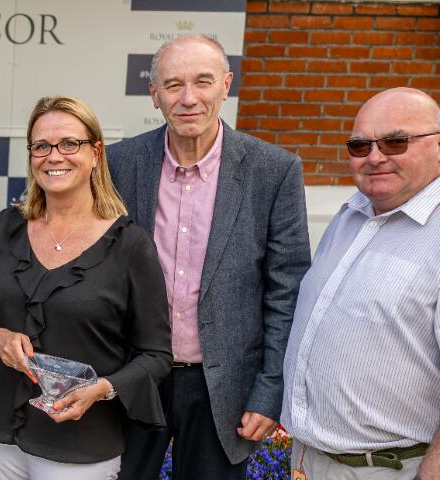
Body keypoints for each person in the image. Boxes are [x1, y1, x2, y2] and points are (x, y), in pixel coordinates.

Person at [282, 87, 440, 479]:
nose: (375, 157)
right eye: (360, 146)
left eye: (395, 142)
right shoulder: (353, 213)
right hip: (310, 462)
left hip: (392, 469)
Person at [109, 35, 311, 480]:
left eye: (202, 82)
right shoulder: (118, 164)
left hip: (224, 386)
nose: (188, 98)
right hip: (134, 374)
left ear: (225, 85)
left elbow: (287, 291)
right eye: (173, 84)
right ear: (154, 93)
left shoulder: (273, 171)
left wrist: (269, 390)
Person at [0, 96, 172, 479]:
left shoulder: (131, 246)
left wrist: (102, 388)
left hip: (80, 442)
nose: (54, 156)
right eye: (41, 146)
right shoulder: (6, 227)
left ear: (95, 152)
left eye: (69, 143)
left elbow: (156, 355)